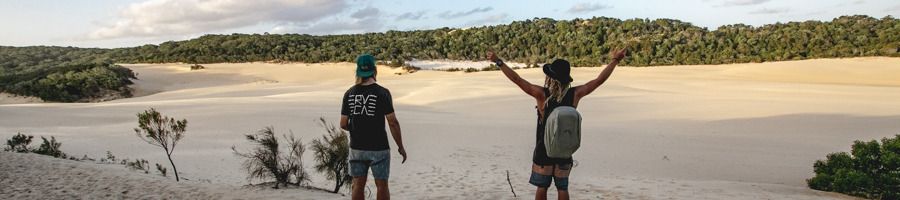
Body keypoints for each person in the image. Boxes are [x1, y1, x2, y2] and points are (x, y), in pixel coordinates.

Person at [488, 49, 627, 200]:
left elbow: (517, 79)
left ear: (550, 77)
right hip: (564, 150)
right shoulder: (575, 94)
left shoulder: (541, 95)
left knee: (542, 187)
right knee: (562, 187)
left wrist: (498, 61)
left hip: (544, 150)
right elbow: (599, 81)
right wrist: (615, 60)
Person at [340, 54, 408, 200]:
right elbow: (392, 122)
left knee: (357, 184)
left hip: (357, 147)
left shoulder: (349, 93)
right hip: (379, 148)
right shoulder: (382, 93)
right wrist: (400, 146)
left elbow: (343, 123)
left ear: (358, 71)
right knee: (382, 185)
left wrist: (357, 128)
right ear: (374, 70)